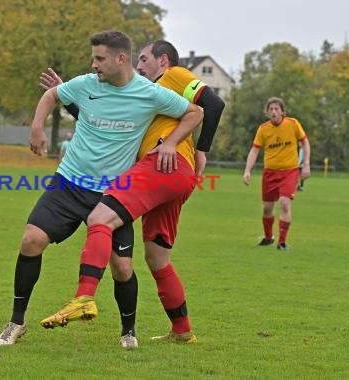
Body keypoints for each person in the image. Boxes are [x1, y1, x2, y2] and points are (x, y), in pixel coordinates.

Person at [0, 30, 203, 349]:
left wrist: (172, 144)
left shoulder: (149, 93)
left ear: (121, 59)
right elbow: (52, 95)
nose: (94, 65)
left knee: (122, 268)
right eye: (93, 58)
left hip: (113, 193)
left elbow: (195, 112)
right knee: (30, 241)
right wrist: (36, 127)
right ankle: (16, 322)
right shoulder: (85, 84)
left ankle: (127, 331)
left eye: (99, 58)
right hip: (69, 182)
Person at [39, 40, 225, 346]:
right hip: (175, 179)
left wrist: (198, 149)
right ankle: (182, 331)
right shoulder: (146, 97)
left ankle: (84, 296)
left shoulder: (173, 76)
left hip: (164, 164)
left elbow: (212, 105)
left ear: (163, 61)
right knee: (157, 257)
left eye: (144, 59)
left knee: (100, 216)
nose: (139, 66)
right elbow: (101, 118)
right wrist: (68, 95)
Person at [243, 97, 310, 250]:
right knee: (267, 208)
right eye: (271, 109)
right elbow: (254, 150)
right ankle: (268, 237)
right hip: (270, 173)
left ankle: (282, 242)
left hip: (289, 172)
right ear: (267, 112)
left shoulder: (292, 124)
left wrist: (306, 164)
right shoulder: (263, 129)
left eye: (276, 109)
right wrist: (247, 170)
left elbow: (305, 142)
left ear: (282, 111)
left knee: (284, 203)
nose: (273, 112)